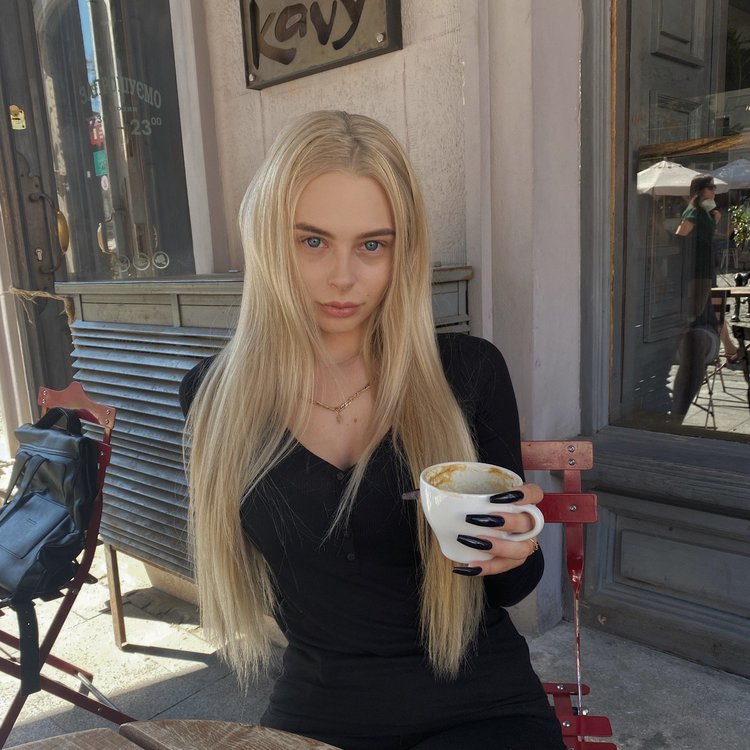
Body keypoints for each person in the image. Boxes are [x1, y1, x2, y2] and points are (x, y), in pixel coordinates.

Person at [179, 110, 564, 750]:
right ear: (268, 242)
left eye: (372, 245)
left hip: (482, 704)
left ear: (401, 252)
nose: (342, 277)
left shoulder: (468, 372)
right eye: (312, 242)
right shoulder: (215, 398)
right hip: (320, 705)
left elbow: (511, 589)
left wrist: (514, 549)